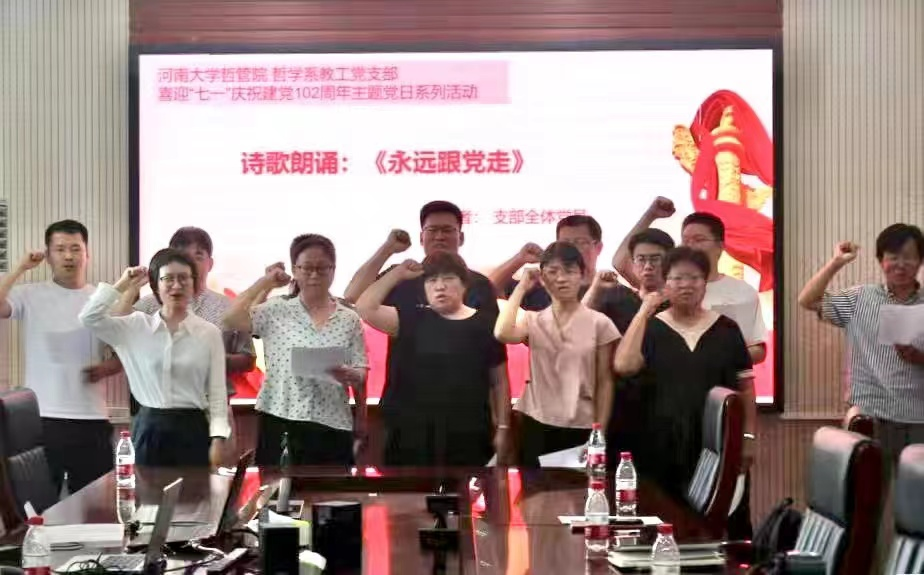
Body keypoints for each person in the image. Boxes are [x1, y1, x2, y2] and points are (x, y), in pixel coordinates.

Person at [343, 201, 504, 461]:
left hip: (468, 416)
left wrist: (502, 423)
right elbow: (353, 296)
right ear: (421, 237)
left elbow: (495, 360)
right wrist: (388, 250)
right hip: (406, 414)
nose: (439, 236)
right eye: (432, 230)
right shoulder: (403, 276)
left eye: (447, 230)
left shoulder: (480, 285)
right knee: (407, 484)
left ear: (461, 237)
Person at [613, 247, 756, 502]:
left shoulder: (727, 329)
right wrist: (644, 311)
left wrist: (748, 437)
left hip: (717, 444)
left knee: (717, 514)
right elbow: (624, 365)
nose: (686, 285)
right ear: (665, 284)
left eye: (694, 278)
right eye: (677, 278)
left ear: (705, 283)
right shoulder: (652, 327)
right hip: (660, 446)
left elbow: (746, 388)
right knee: (664, 514)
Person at [224, 234, 368, 466]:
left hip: (333, 421)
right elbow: (231, 319)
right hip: (281, 417)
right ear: (295, 270)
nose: (314, 275)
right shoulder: (275, 310)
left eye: (322, 268)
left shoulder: (348, 318)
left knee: (334, 487)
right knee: (276, 486)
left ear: (333, 270)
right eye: (307, 268)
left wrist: (353, 378)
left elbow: (361, 370)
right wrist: (266, 282)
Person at [79, 249, 230, 467]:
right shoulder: (135, 327)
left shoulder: (209, 333)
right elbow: (89, 317)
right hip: (148, 429)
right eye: (168, 279)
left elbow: (217, 393)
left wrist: (218, 438)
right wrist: (122, 284)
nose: (176, 285)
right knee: (146, 489)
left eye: (183, 278)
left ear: (193, 284)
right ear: (156, 285)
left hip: (193, 429)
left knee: (194, 489)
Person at [109, 227, 256, 438]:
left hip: (210, 410)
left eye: (198, 256)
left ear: (210, 263)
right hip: (157, 412)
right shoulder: (148, 306)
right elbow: (116, 333)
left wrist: (212, 359)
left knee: (212, 460)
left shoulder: (228, 307)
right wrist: (129, 289)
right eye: (182, 256)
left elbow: (248, 359)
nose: (191, 263)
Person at [0, 220, 112, 493]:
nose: (68, 256)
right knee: (39, 505)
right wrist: (20, 268)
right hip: (41, 417)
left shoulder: (101, 299)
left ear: (87, 254)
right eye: (60, 249)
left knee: (96, 506)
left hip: (92, 417)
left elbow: (126, 350)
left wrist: (107, 368)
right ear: (48, 256)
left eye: (75, 248)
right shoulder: (29, 294)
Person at [797, 224, 924, 463]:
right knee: (870, 486)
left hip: (919, 419)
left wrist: (920, 358)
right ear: (881, 261)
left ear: (920, 262)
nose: (900, 264)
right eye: (893, 257)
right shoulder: (860, 298)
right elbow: (807, 300)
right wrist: (836, 262)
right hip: (871, 417)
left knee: (916, 487)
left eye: (909, 257)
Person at [494, 242, 620, 466]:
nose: (561, 279)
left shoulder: (600, 324)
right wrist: (522, 287)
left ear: (582, 275)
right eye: (553, 272)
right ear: (542, 279)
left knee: (576, 488)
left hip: (581, 424)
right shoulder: (532, 320)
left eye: (569, 271)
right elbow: (502, 332)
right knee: (533, 487)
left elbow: (605, 381)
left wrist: (599, 431)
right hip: (535, 422)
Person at [585, 228, 674, 461]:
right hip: (618, 410)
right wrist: (595, 288)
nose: (648, 266)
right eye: (641, 259)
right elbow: (576, 329)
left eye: (656, 259)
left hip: (665, 414)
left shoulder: (677, 308)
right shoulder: (617, 298)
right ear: (632, 263)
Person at [681, 212, 768, 365]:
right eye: (685, 240)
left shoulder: (741, 291)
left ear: (720, 246)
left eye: (699, 240)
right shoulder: (669, 290)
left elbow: (757, 349)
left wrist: (718, 359)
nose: (691, 246)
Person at [489, 215, 605, 310]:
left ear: (598, 248)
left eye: (580, 242)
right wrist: (519, 259)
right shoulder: (541, 288)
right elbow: (487, 290)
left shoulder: (609, 291)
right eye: (564, 243)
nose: (572, 248)